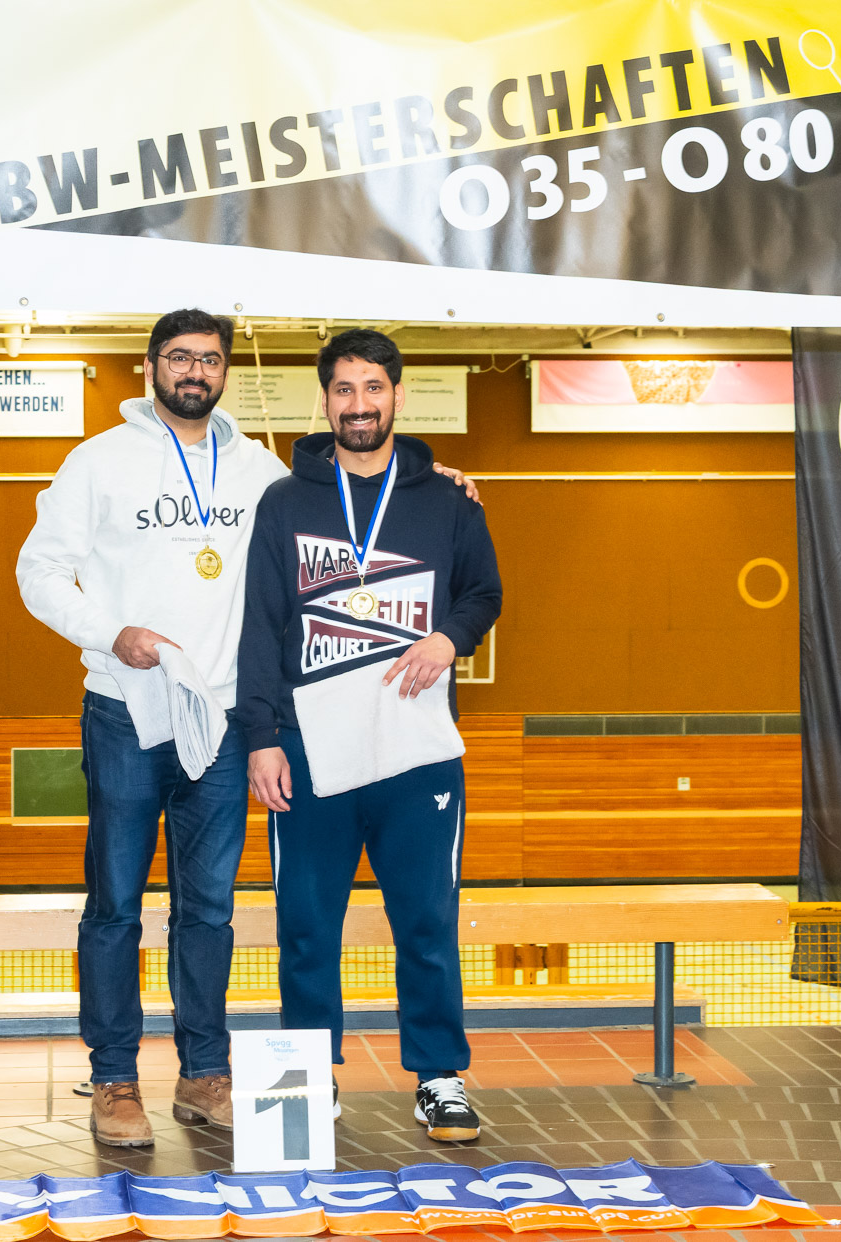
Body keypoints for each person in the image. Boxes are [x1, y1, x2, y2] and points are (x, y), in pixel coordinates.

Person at [17, 310, 476, 1147]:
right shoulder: (97, 461)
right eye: (179, 357)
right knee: (115, 907)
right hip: (126, 708)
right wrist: (107, 632)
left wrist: (426, 474)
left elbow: (349, 483)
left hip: (225, 721)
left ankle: (203, 1072)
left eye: (209, 359)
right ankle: (115, 1079)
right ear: (149, 366)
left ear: (226, 371)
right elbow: (38, 569)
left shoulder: (260, 469)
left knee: (209, 910)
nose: (195, 371)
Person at [237, 328, 502, 1143]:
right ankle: (308, 1081)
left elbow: (484, 593)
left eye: (373, 388)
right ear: (325, 400)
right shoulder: (284, 502)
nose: (359, 404)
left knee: (427, 919)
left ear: (397, 396)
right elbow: (261, 626)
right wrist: (261, 737)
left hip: (416, 752)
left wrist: (449, 638)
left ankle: (439, 1078)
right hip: (309, 751)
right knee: (305, 926)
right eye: (344, 389)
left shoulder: (448, 501)